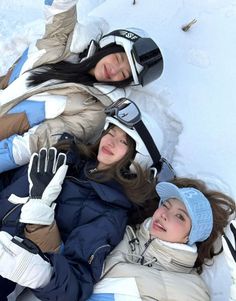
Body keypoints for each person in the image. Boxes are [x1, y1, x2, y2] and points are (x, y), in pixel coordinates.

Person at [0, 99, 168, 301]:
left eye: (124, 141)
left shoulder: (110, 211)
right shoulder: (66, 156)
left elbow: (75, 281)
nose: (111, 141)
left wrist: (39, 212)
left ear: (137, 159)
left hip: (8, 263)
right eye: (111, 132)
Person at [0, 0, 163, 173]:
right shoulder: (66, 45)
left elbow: (30, 145)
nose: (114, 70)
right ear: (109, 47)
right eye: (118, 59)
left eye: (123, 75)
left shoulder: (92, 113)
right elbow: (60, 8)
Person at [86, 178, 235, 301]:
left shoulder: (190, 287)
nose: (164, 214)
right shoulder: (121, 231)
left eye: (180, 216)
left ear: (190, 236)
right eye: (165, 205)